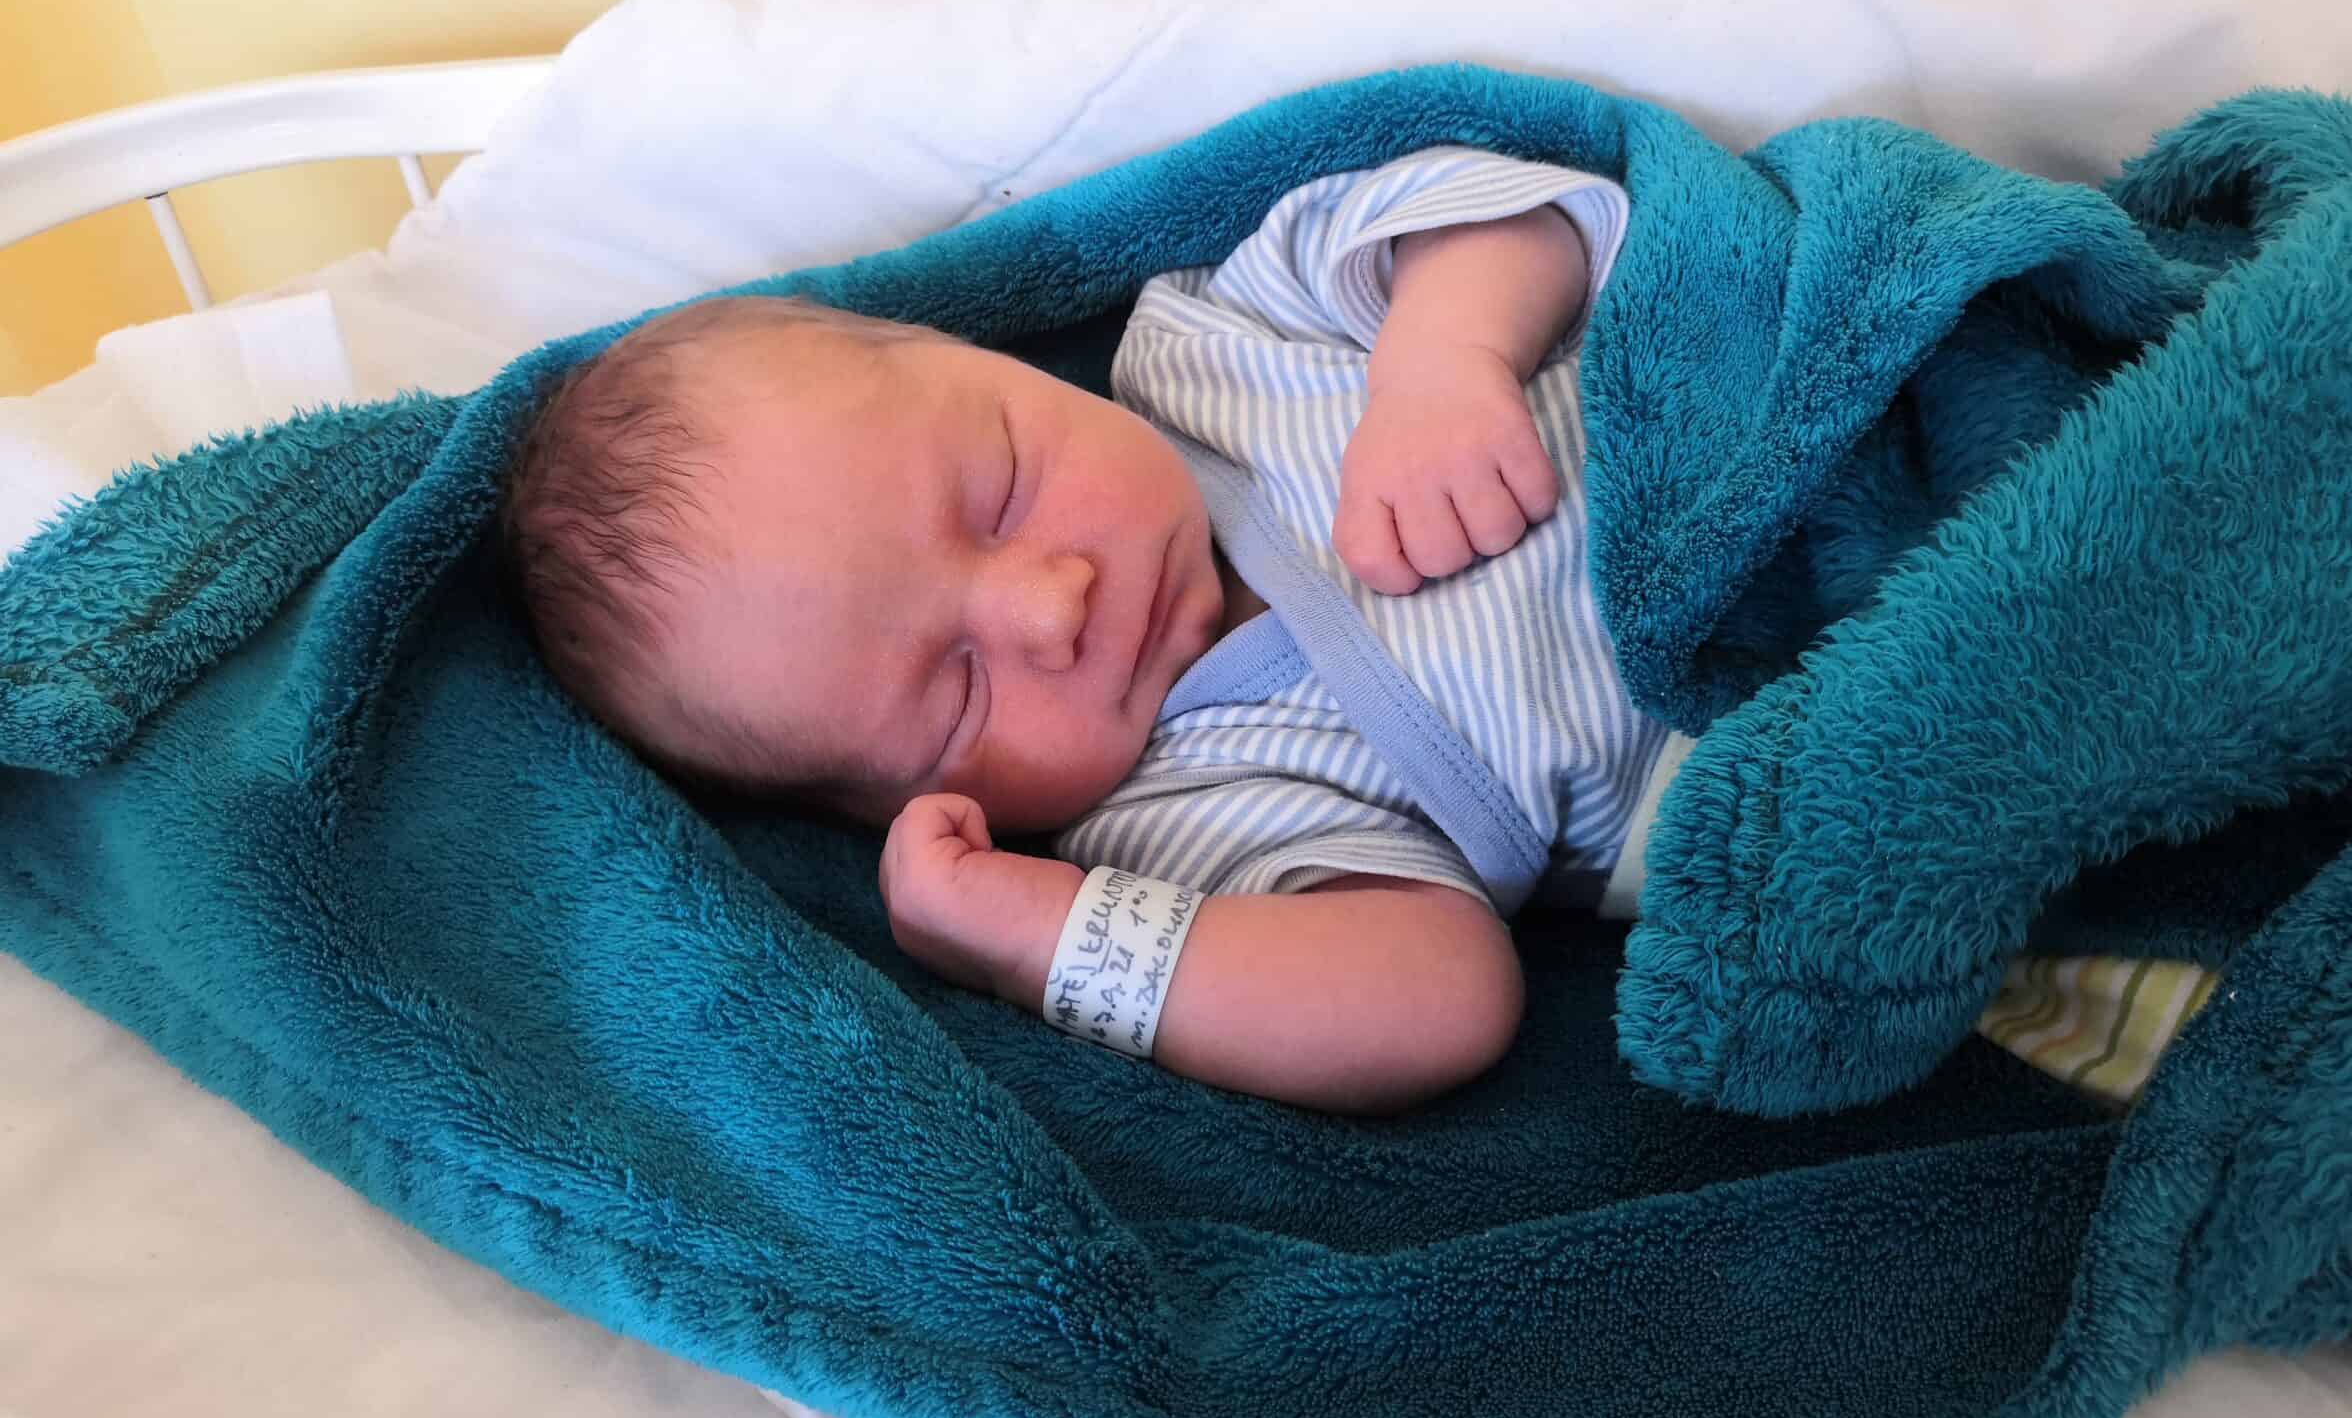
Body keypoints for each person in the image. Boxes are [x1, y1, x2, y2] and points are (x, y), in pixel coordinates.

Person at [503, 149, 1671, 1114]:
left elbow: (1513, 212)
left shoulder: (1216, 348)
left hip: (1714, 428)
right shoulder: (1178, 822)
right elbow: (1437, 1000)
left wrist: (1444, 364)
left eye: (1003, 489)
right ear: (895, 805)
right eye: (956, 695)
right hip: (1746, 746)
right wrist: (1047, 942)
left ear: (993, 357)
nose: (1050, 608)